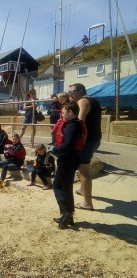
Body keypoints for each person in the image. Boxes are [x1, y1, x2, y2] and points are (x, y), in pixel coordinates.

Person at [46, 102, 87, 229]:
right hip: (71, 159)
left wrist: (54, 149)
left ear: (70, 112)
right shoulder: (74, 125)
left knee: (58, 186)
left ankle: (65, 213)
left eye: (63, 112)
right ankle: (69, 217)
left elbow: (68, 145)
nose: (61, 115)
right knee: (66, 188)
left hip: (68, 160)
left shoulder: (72, 126)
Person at [68, 83, 102, 211]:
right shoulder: (93, 100)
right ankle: (82, 190)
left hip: (87, 142)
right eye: (69, 91)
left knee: (84, 172)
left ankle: (87, 203)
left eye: (73, 91)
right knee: (83, 167)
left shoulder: (82, 101)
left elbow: (79, 122)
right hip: (94, 140)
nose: (70, 93)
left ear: (81, 91)